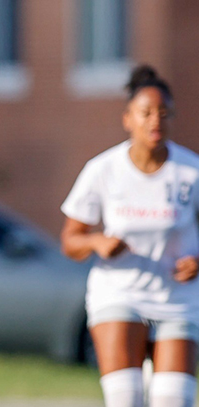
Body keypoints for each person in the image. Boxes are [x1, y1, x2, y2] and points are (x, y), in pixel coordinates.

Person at [61, 65, 199, 407]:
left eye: (164, 113)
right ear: (127, 119)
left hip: (177, 299)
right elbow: (70, 240)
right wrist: (97, 242)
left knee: (174, 400)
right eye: (146, 112)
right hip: (119, 294)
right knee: (127, 399)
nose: (156, 121)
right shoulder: (103, 170)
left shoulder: (191, 171)